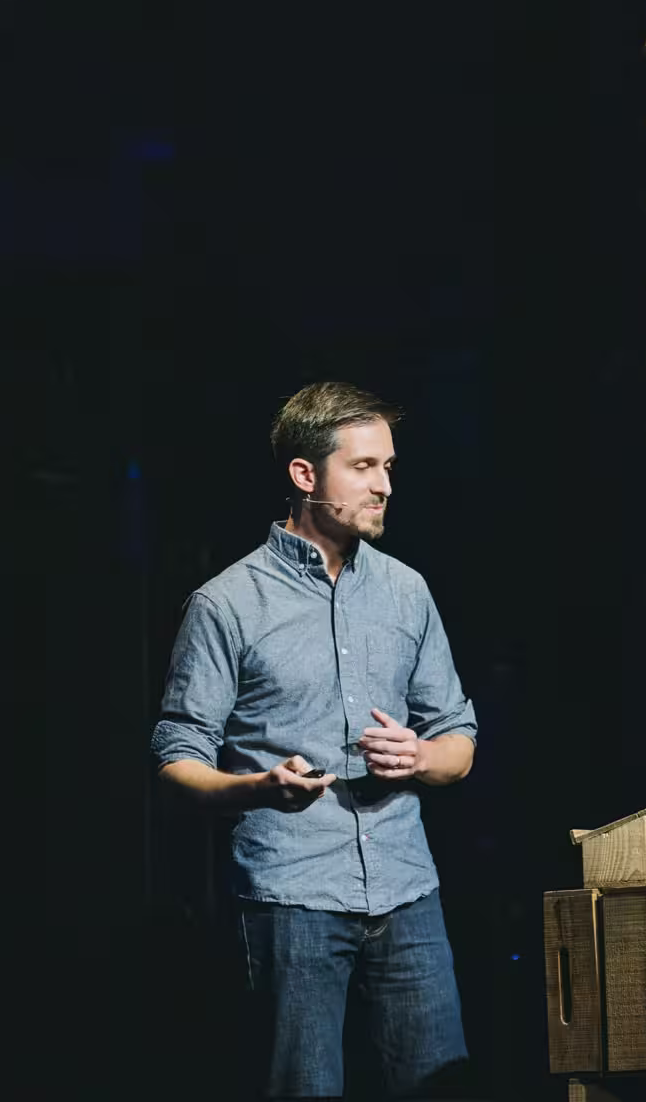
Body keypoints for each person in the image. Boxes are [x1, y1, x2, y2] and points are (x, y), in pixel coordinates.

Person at [151, 381, 477, 1099]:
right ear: (305, 475)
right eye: (363, 468)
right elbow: (177, 760)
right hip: (291, 894)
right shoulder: (227, 603)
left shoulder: (405, 592)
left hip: (406, 888)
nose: (384, 485)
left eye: (389, 467)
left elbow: (459, 737)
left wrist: (422, 756)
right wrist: (259, 788)